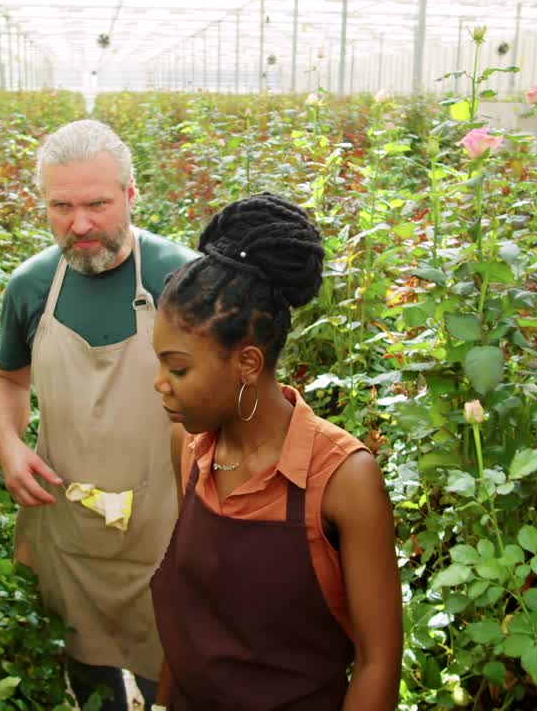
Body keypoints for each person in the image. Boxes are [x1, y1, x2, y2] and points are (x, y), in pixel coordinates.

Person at [149, 193, 403, 709]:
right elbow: (189, 616)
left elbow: (379, 664)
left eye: (178, 369)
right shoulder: (190, 449)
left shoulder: (342, 481)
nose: (160, 385)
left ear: (246, 364)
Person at [0, 119, 196, 710]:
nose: (79, 225)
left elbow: (234, 405)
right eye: (61, 206)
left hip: (171, 530)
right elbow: (7, 380)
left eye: (97, 205)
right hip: (70, 526)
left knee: (173, 677)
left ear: (131, 195)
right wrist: (9, 443)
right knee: (89, 674)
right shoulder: (31, 286)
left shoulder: (182, 278)